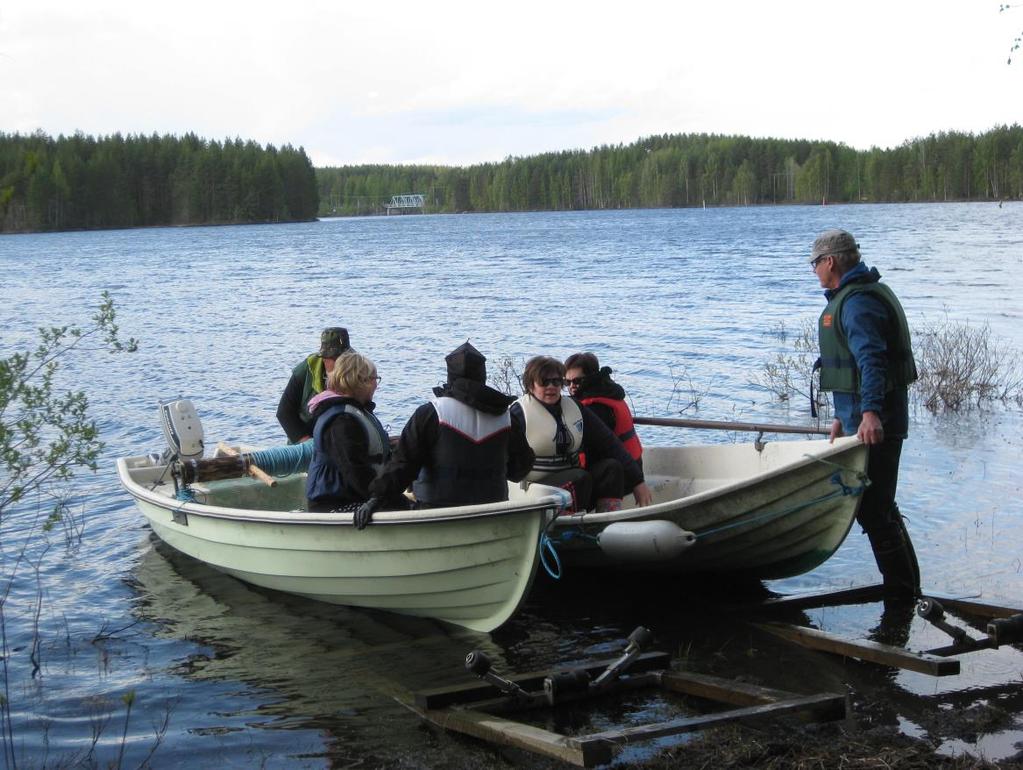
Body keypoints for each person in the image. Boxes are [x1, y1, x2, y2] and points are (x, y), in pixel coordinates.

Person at [810, 228, 920, 599]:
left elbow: (872, 361)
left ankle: (903, 593)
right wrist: (845, 413)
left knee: (875, 511)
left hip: (880, 423)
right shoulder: (855, 296)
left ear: (831, 261)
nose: (813, 271)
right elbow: (855, 369)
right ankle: (906, 588)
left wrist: (870, 412)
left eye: (815, 263)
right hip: (866, 419)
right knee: (880, 507)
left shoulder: (857, 303)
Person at [362, 342, 535, 524]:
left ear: (450, 375)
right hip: (493, 509)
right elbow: (520, 469)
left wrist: (376, 497)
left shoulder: (431, 413)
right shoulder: (506, 418)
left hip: (437, 514)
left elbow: (403, 465)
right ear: (483, 376)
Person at [510, 356, 652, 513]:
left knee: (611, 468)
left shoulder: (575, 407)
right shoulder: (518, 414)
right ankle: (573, 530)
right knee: (579, 478)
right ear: (531, 385)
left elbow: (609, 442)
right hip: (535, 489)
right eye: (544, 381)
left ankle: (605, 523)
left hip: (572, 481)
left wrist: (638, 481)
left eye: (557, 381)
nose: (551, 386)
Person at [305, 351, 405, 514]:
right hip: (333, 505)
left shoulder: (353, 412)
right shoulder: (341, 421)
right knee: (402, 507)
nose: (376, 385)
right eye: (374, 379)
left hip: (352, 496)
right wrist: (384, 497)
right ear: (360, 381)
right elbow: (354, 471)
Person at [564, 352, 643, 467]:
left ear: (591, 378)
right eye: (567, 382)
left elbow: (593, 450)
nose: (571, 386)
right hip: (631, 462)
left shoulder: (596, 407)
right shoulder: (609, 392)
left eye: (577, 381)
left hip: (621, 471)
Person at [277, 327, 351, 444]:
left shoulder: (356, 368)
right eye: (332, 358)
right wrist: (307, 443)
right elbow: (284, 412)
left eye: (342, 358)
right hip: (305, 440)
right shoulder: (306, 369)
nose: (339, 363)